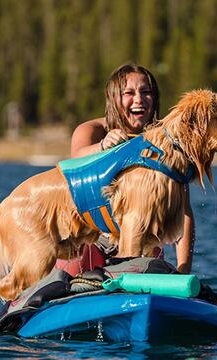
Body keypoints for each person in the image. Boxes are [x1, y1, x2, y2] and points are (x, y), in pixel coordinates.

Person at [56, 63, 195, 275]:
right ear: (114, 99)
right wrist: (102, 147)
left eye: (146, 92)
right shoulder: (93, 131)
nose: (139, 99)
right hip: (91, 240)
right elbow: (75, 161)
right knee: (70, 270)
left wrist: (184, 271)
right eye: (129, 93)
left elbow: (184, 213)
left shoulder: (166, 145)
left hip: (143, 240)